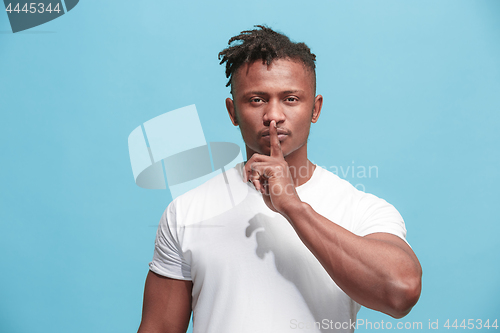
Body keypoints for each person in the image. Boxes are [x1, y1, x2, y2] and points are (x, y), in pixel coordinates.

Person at [137, 25, 422, 333]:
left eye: (290, 99)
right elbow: (160, 328)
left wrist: (293, 208)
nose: (273, 115)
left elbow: (400, 292)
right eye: (257, 99)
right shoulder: (186, 212)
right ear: (233, 112)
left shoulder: (361, 209)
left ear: (315, 109)